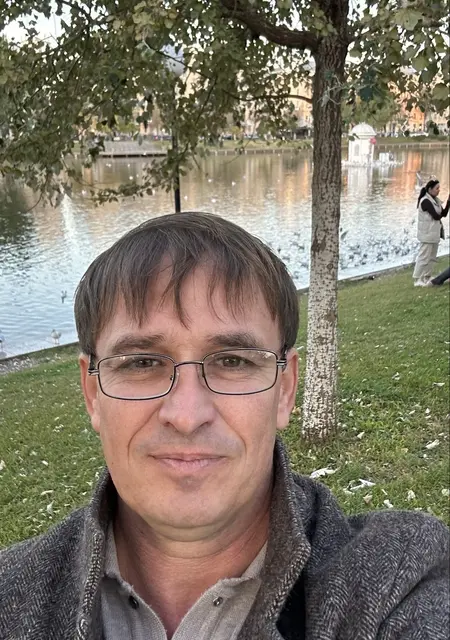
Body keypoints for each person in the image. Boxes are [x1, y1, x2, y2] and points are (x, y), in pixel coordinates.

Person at [0, 212, 449, 640]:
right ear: (92, 393)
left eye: (232, 361)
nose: (187, 415)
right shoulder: (10, 595)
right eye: (141, 363)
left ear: (285, 389)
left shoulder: (398, 578)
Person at [413, 179, 450, 286]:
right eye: (437, 188)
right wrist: (441, 213)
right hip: (426, 234)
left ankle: (427, 277)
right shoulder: (425, 201)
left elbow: (443, 214)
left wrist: (448, 202)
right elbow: (436, 216)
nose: (439, 190)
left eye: (439, 188)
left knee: (432, 257)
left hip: (434, 234)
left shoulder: (435, 200)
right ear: (430, 189)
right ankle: (417, 279)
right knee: (424, 257)